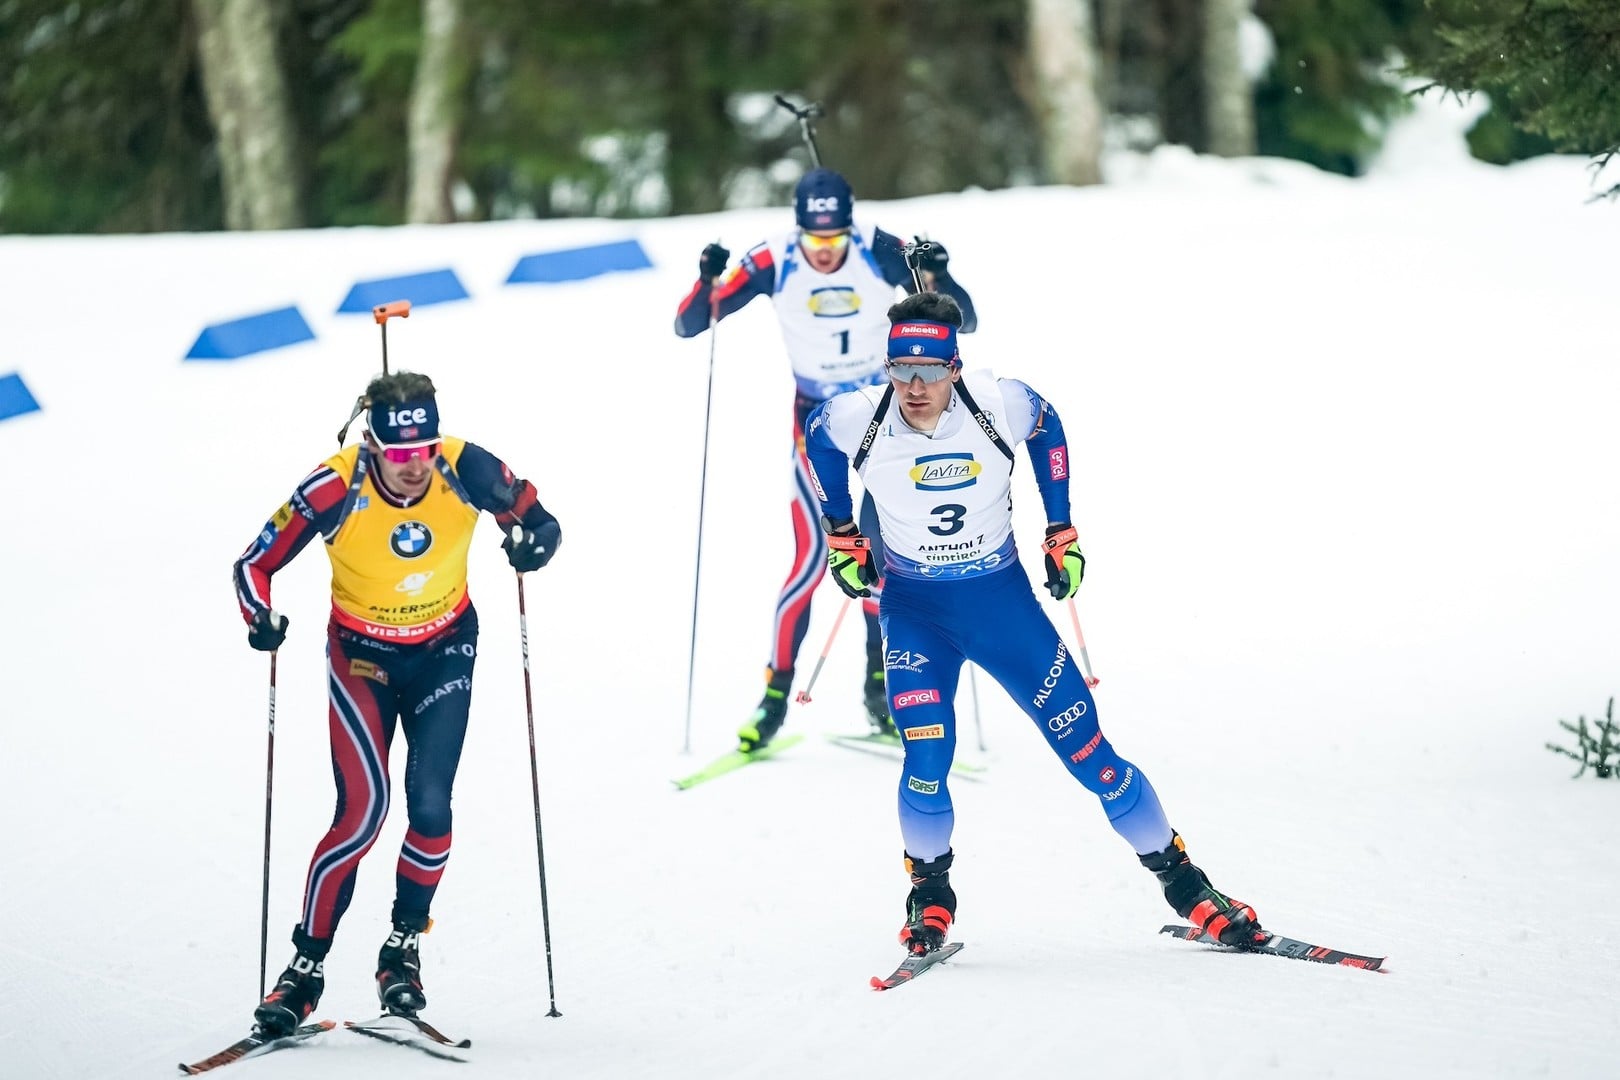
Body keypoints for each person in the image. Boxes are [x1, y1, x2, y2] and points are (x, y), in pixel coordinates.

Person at [803, 292, 1262, 955]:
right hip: (916, 614)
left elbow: (1046, 426)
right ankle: (930, 894)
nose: (914, 386)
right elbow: (816, 439)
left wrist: (1060, 527)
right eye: (901, 370)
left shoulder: (1002, 403)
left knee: (1092, 758)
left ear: (955, 367)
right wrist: (842, 533)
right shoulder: (857, 419)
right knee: (928, 761)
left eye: (929, 370)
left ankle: (1187, 886)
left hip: (1002, 607)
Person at [232, 371, 561, 1035]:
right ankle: (305, 968)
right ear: (372, 445)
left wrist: (535, 543)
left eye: (424, 451)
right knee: (362, 814)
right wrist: (259, 618)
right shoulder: (334, 484)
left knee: (432, 807)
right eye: (398, 454)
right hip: (362, 659)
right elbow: (253, 565)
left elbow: (539, 518)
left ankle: (401, 951)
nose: (415, 468)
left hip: (445, 648)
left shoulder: (463, 464)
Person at [675, 167, 979, 751]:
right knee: (813, 560)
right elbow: (691, 324)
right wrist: (705, 279)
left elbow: (963, 320)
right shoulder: (772, 259)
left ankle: (881, 692)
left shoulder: (879, 248)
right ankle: (773, 698)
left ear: (848, 227)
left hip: (887, 418)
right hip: (816, 424)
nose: (823, 253)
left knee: (886, 562)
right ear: (798, 231)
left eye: (833, 242)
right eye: (814, 243)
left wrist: (936, 270)